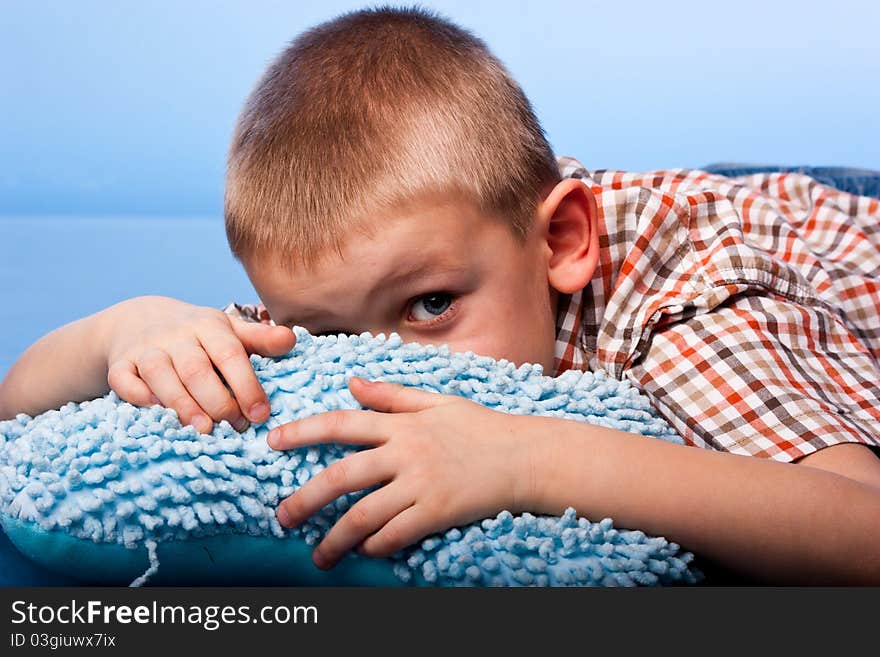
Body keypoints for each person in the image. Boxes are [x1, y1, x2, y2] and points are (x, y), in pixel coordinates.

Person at [1, 6, 878, 584]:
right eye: (330, 332)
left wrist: (533, 458)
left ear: (560, 241)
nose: (383, 358)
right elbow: (16, 407)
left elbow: (860, 531)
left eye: (429, 310)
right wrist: (124, 327)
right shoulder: (392, 262)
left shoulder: (694, 313)